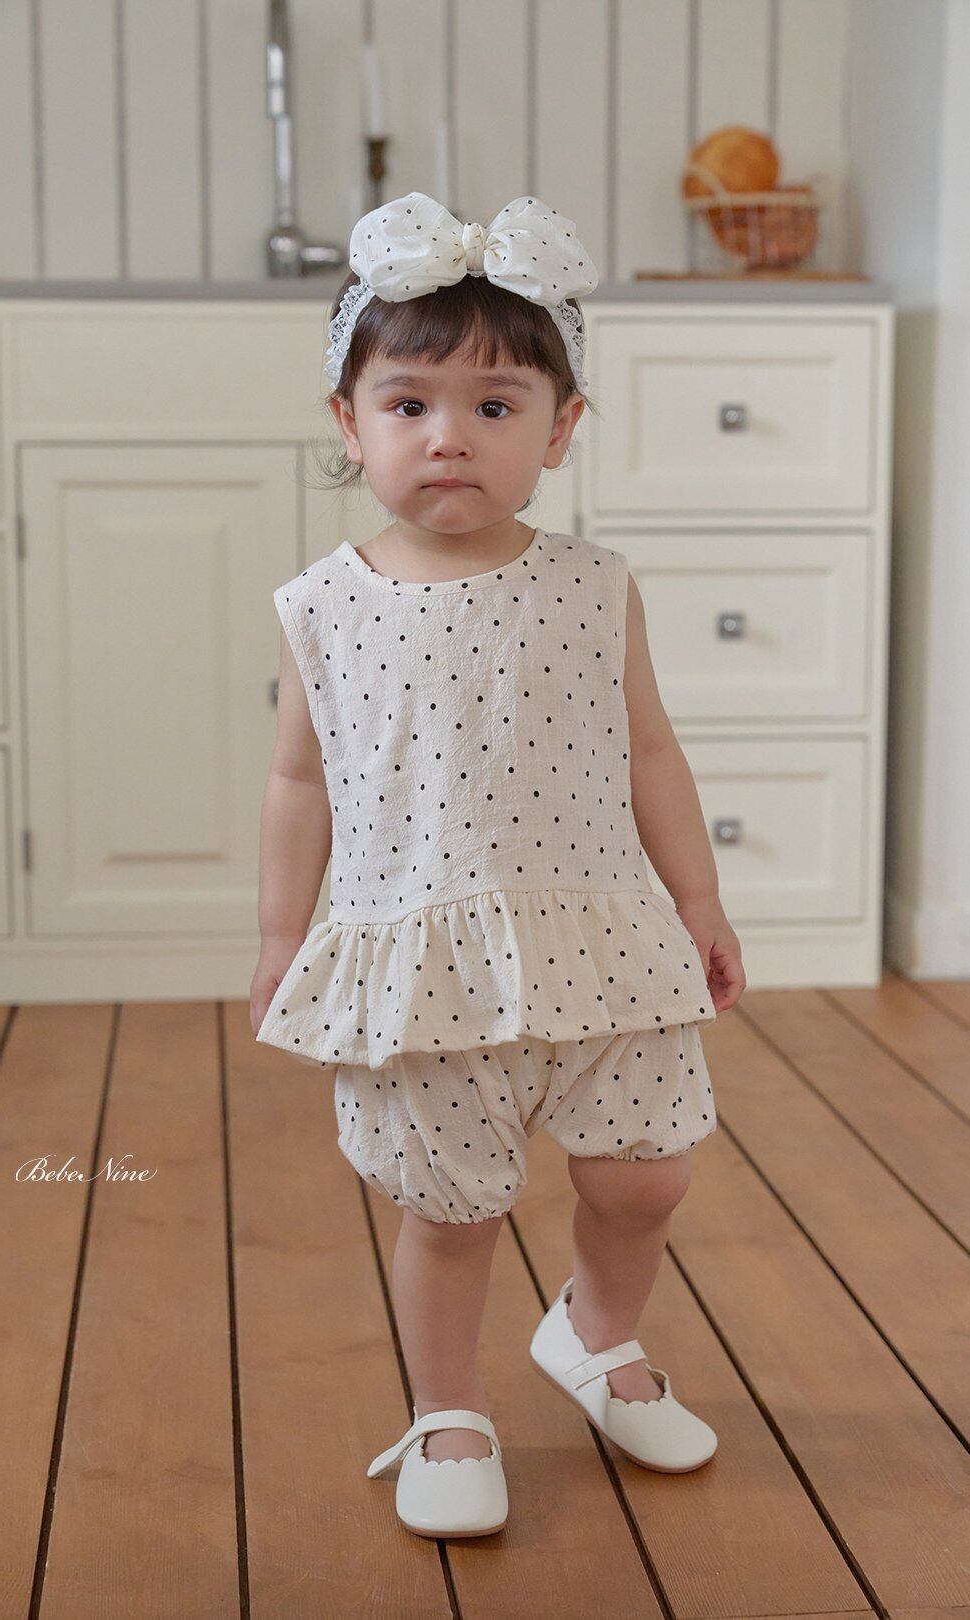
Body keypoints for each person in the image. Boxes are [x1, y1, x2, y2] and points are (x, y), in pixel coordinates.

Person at [250, 191, 746, 1539]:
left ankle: (594, 1332)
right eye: (408, 404)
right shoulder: (326, 606)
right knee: (453, 1209)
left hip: (604, 937)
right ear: (349, 422)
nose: (448, 436)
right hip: (426, 956)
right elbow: (299, 784)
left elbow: (651, 751)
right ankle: (449, 1408)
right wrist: (283, 938)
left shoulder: (594, 585)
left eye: (494, 405)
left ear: (560, 428)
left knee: (647, 1172)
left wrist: (699, 900)